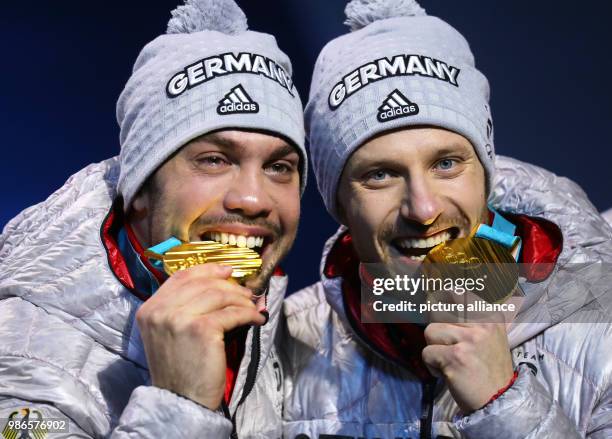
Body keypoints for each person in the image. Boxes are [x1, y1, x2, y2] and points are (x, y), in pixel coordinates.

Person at [280, 0, 612, 438]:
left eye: (446, 164)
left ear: (485, 172)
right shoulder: (286, 346)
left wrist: (503, 404)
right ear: (338, 203)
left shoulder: (602, 319)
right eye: (380, 175)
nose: (423, 209)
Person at [0, 0, 306, 437]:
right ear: (140, 191)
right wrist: (178, 408)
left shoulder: (280, 321)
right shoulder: (20, 361)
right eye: (215, 160)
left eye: (279, 167)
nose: (254, 198)